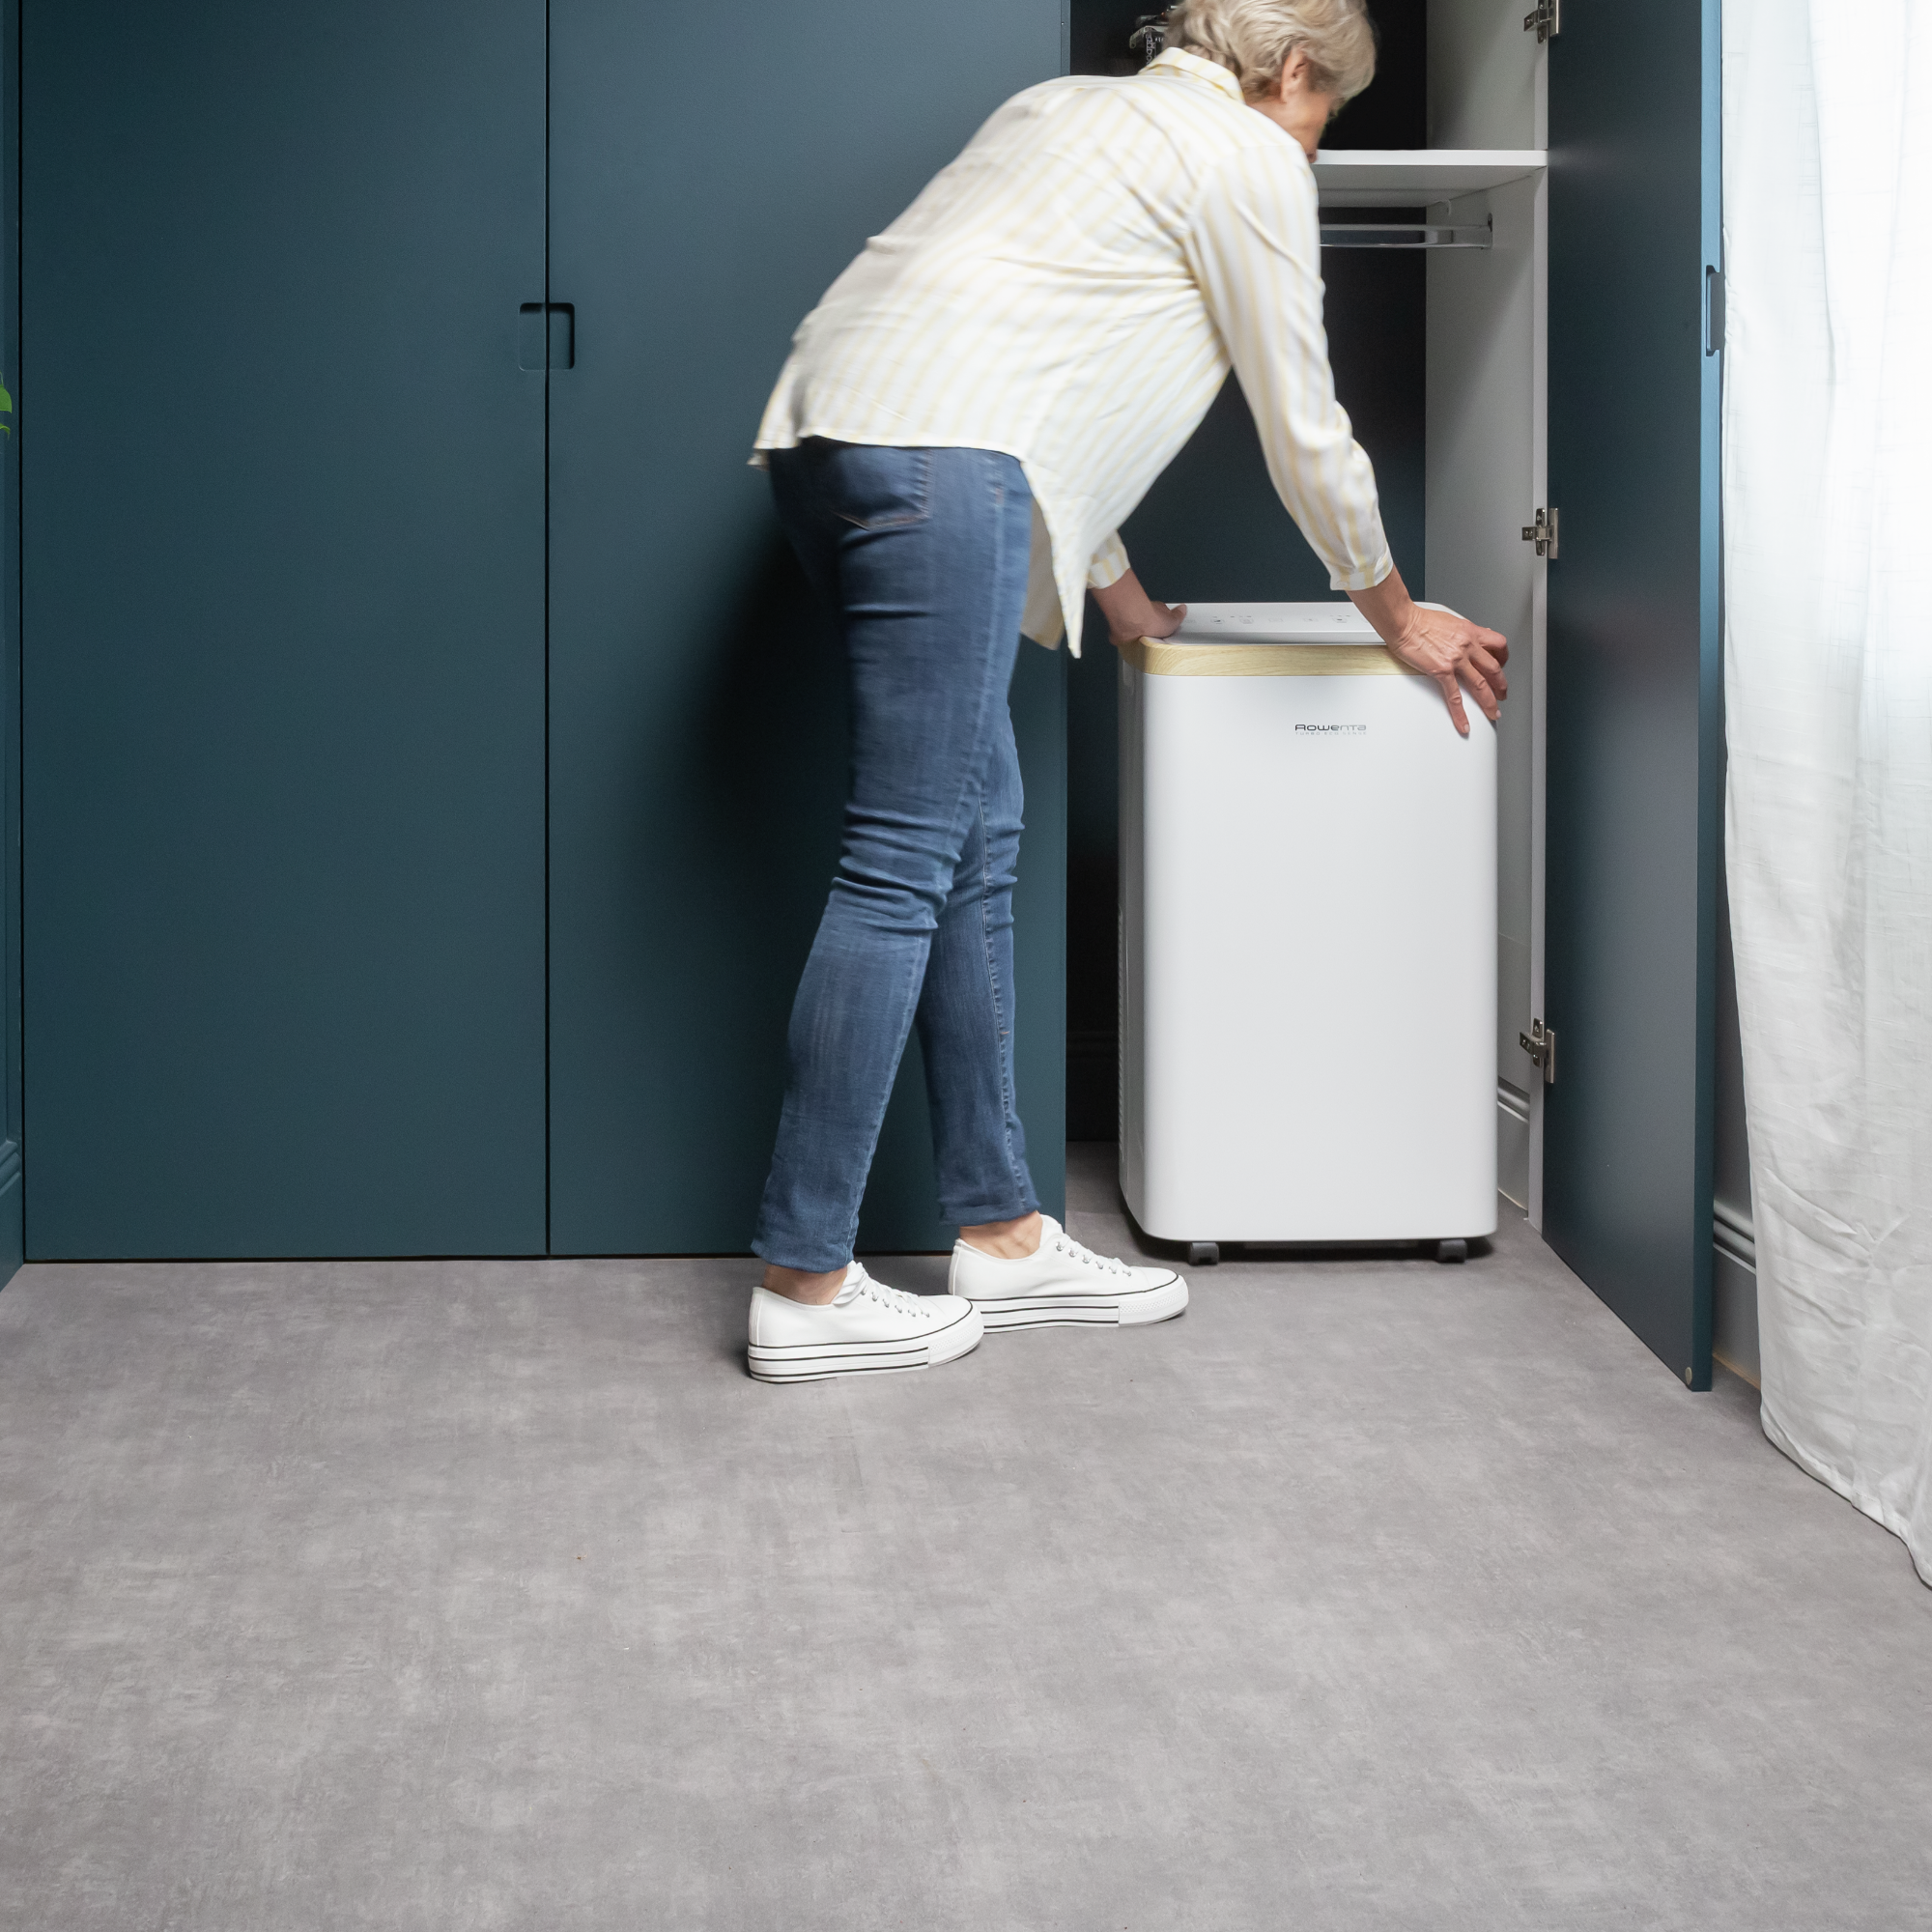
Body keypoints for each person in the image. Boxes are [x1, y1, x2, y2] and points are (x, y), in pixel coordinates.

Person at [744, 0, 1509, 1384]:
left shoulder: (1068, 111)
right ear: (1291, 72)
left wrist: (1122, 598)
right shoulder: (1248, 156)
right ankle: (804, 1283)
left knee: (973, 843)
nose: (1318, 143)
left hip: (835, 442)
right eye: (1326, 113)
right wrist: (1397, 615)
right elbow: (1304, 427)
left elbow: (1037, 377)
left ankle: (1002, 1235)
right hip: (945, 468)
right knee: (903, 859)